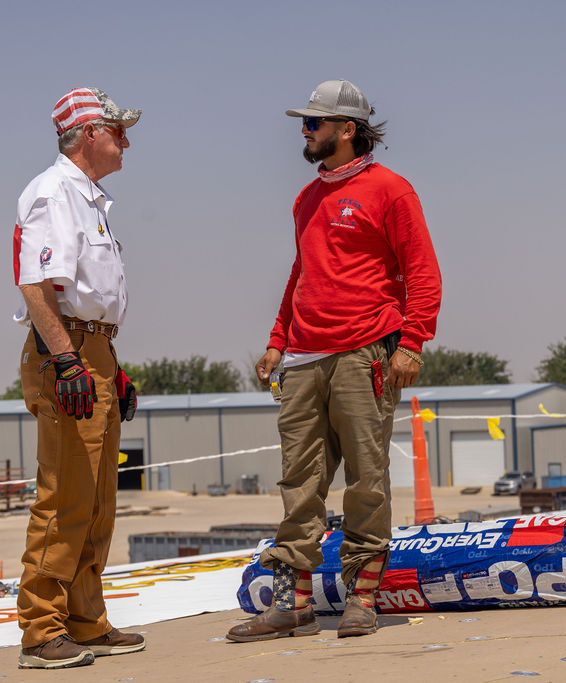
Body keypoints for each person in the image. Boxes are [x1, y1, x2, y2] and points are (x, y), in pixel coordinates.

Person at [228, 79, 442, 642]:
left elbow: (422, 271)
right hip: (303, 357)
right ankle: (294, 605)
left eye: (313, 123)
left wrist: (413, 342)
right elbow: (301, 273)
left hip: (365, 351)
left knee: (367, 479)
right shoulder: (306, 198)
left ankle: (362, 598)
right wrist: (278, 339)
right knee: (299, 482)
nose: (304, 131)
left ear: (347, 129)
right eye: (304, 122)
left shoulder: (391, 190)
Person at [11, 87, 144, 669]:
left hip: (95, 350)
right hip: (66, 349)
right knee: (65, 495)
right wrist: (67, 360)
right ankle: (41, 631)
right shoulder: (54, 192)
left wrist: (109, 365)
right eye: (118, 131)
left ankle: (85, 619)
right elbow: (36, 286)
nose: (126, 142)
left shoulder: (88, 199)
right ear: (89, 132)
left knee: (96, 498)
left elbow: (87, 296)